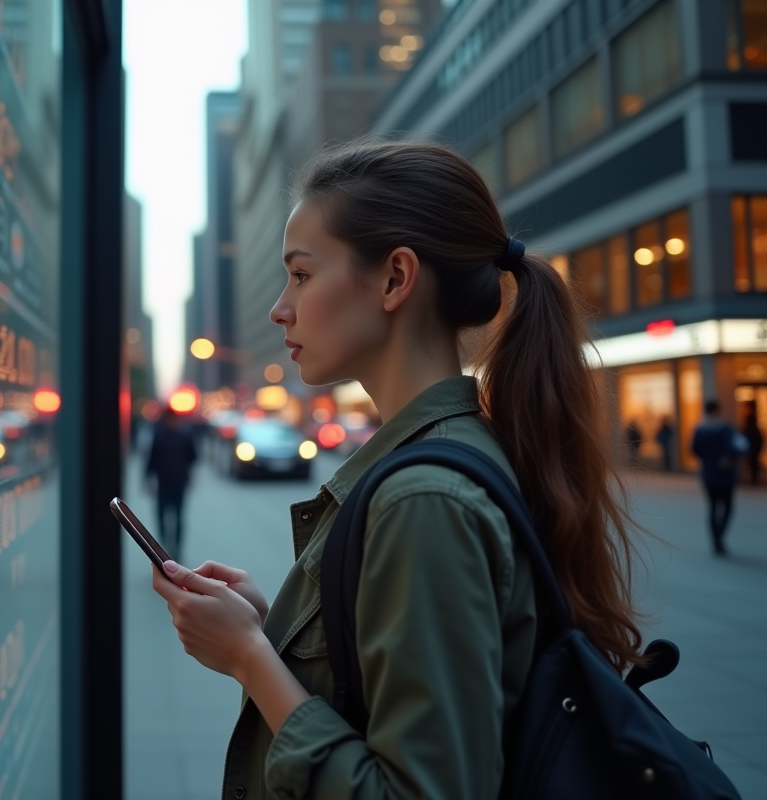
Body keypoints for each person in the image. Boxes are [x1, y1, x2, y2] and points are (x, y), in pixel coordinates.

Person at [149, 140, 645, 799]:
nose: (279, 307)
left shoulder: (422, 499)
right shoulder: (444, 463)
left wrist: (250, 657)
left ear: (394, 279)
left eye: (300, 274)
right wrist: (278, 631)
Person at [691, 400, 746, 555]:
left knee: (713, 507)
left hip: (708, 474)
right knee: (727, 508)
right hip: (725, 475)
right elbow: (736, 447)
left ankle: (715, 540)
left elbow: (695, 450)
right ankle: (719, 538)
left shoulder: (700, 429)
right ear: (717, 410)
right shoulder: (725, 428)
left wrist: (708, 459)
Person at [144, 406, 197, 556]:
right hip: (163, 485)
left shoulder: (185, 437)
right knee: (161, 518)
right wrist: (148, 479)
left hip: (179, 484)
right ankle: (163, 549)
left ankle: (177, 549)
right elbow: (151, 460)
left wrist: (191, 477)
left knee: (179, 518)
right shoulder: (159, 437)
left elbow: (192, 458)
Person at [744, 403, 763, 486]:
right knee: (754, 463)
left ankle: (753, 478)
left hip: (751, 449)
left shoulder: (747, 429)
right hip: (754, 449)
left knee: (752, 463)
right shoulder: (754, 429)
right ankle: (754, 478)